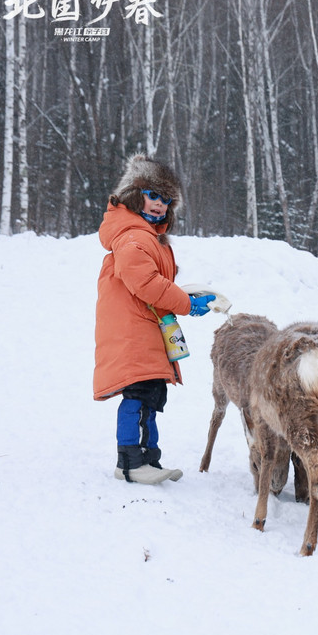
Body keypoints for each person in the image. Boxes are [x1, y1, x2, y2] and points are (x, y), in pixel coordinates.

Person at [93, 154, 215, 484]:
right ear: (135, 194)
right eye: (154, 195)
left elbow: (154, 284)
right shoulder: (133, 235)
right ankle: (130, 462)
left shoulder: (146, 235)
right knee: (139, 395)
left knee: (151, 396)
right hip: (133, 331)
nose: (160, 205)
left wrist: (180, 297)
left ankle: (149, 460)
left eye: (166, 200)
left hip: (144, 329)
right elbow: (145, 283)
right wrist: (186, 303)